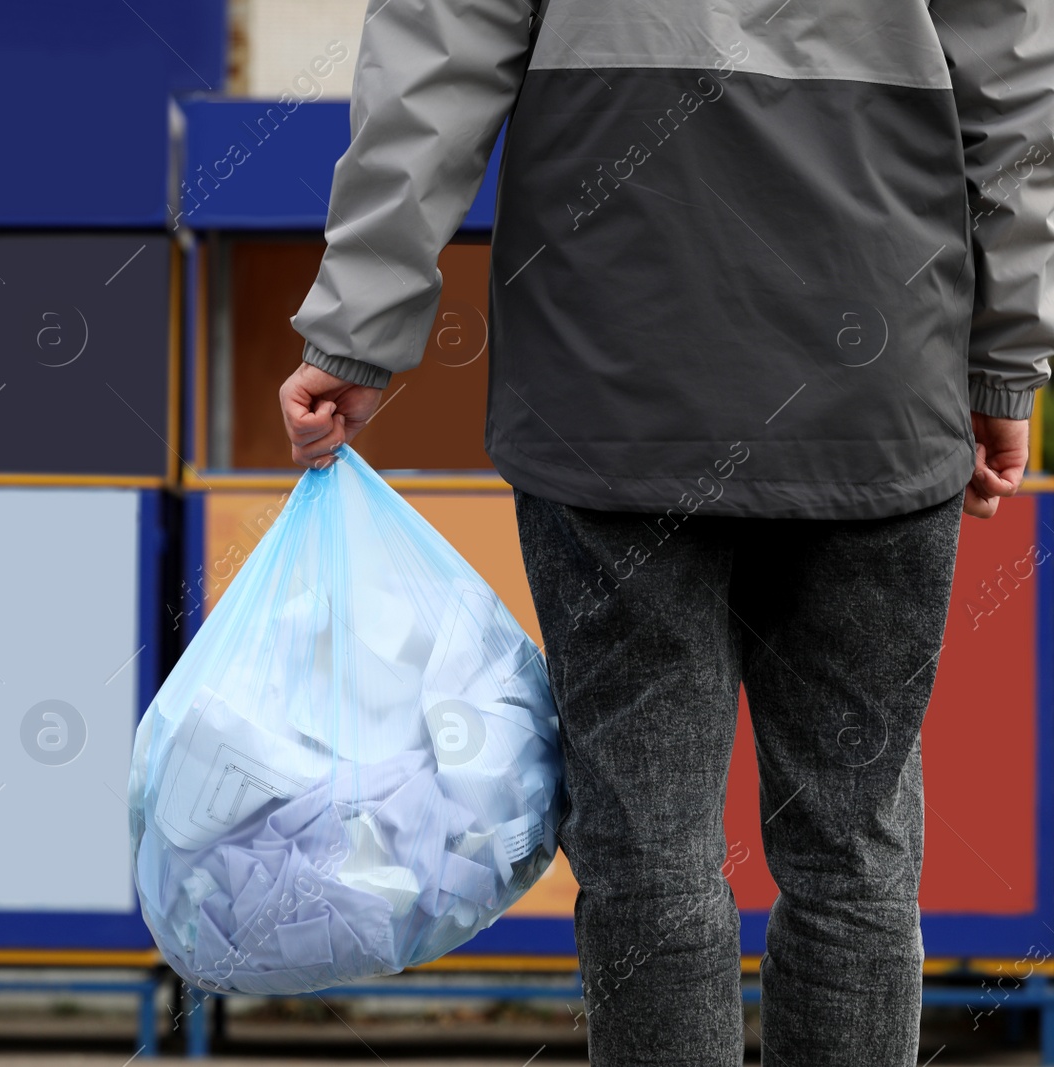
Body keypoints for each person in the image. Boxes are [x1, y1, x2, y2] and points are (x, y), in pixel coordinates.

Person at [278, 1, 1053, 1063]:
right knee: (852, 847)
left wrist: (358, 333)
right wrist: (1005, 355)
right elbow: (1016, 81)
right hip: (873, 383)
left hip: (615, 386)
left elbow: (436, 64)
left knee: (646, 847)